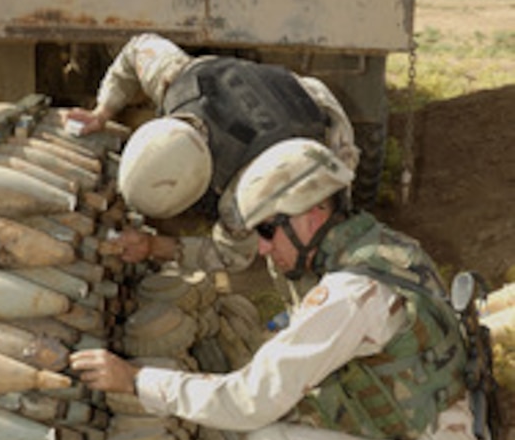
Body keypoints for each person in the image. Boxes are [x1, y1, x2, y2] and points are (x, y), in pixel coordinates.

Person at [70, 138, 495, 440]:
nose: (264, 247)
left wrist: (138, 379)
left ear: (314, 212)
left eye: (269, 230)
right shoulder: (383, 247)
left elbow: (247, 400)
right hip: (444, 431)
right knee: (291, 406)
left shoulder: (349, 295)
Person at [66, 33, 359, 275]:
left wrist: (154, 247)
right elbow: (137, 48)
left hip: (318, 121)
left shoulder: (245, 191)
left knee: (292, 248)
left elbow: (230, 256)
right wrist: (102, 112)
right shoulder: (175, 79)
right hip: (266, 92)